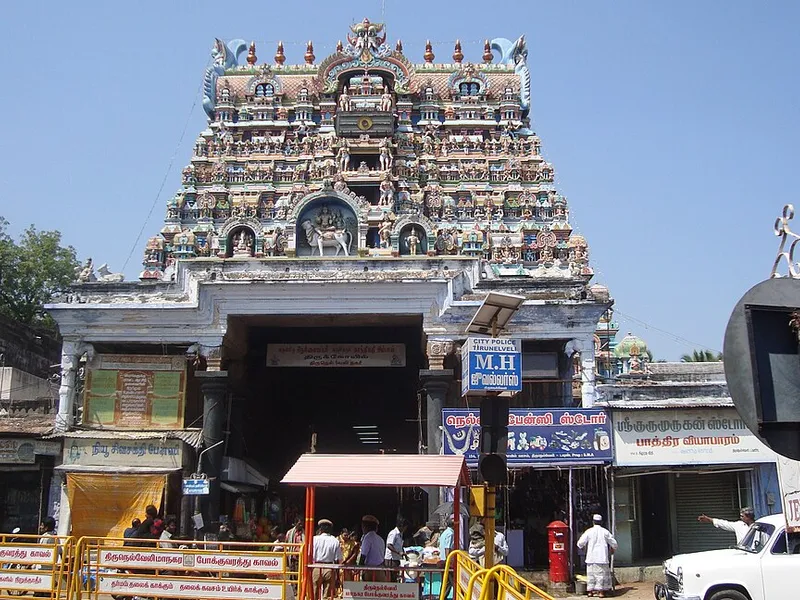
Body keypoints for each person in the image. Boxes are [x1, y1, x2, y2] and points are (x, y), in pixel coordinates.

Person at [576, 514, 618, 598]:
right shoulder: (605, 531)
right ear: (601, 522)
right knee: (601, 576)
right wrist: (613, 548)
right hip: (601, 557)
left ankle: (590, 592)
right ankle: (601, 592)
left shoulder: (589, 531)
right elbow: (614, 543)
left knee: (591, 575)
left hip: (591, 558)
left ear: (593, 522)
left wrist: (583, 547)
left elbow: (580, 543)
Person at [312, 518, 342, 600]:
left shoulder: (314, 539)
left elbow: (310, 555)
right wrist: (338, 577)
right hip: (330, 568)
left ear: (320, 529)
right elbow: (337, 560)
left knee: (315, 592)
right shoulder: (335, 541)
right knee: (328, 595)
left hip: (316, 567)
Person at [358, 515, 387, 582]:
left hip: (371, 571)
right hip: (381, 570)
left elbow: (363, 556)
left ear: (366, 527)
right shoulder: (381, 539)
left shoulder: (368, 537)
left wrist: (359, 569)